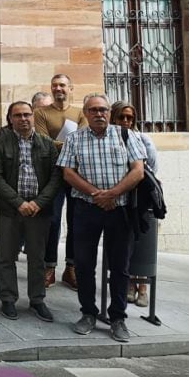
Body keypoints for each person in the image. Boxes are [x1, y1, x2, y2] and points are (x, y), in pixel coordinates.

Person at [58, 93, 146, 343]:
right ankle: (88, 313)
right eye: (94, 110)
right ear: (85, 113)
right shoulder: (74, 138)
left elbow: (138, 171)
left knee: (120, 267)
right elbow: (68, 173)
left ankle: (118, 318)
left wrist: (113, 194)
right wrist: (96, 194)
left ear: (109, 112)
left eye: (103, 110)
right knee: (84, 265)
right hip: (87, 209)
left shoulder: (127, 135)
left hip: (120, 210)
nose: (99, 114)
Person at [0, 101, 61, 322]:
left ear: (33, 116)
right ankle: (8, 299)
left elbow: (56, 177)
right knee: (6, 256)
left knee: (37, 258)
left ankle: (37, 299)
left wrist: (39, 203)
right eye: (18, 115)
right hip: (10, 210)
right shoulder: (1, 143)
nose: (24, 119)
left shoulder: (47, 144)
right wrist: (19, 202)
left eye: (27, 114)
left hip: (39, 211)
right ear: (10, 119)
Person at [35, 74, 87, 290]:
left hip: (76, 174)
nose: (59, 89)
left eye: (63, 85)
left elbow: (83, 141)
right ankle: (49, 267)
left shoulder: (81, 113)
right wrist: (67, 144)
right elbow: (42, 141)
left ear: (70, 88)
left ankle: (71, 268)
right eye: (55, 85)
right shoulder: (41, 113)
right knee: (53, 221)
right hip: (51, 174)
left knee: (76, 221)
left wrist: (59, 144)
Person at [110, 101, 160, 308]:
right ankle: (130, 283)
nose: (125, 121)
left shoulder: (142, 139)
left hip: (139, 198)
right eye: (121, 117)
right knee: (124, 244)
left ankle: (143, 287)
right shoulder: (109, 138)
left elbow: (152, 168)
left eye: (129, 118)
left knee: (143, 242)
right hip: (119, 199)